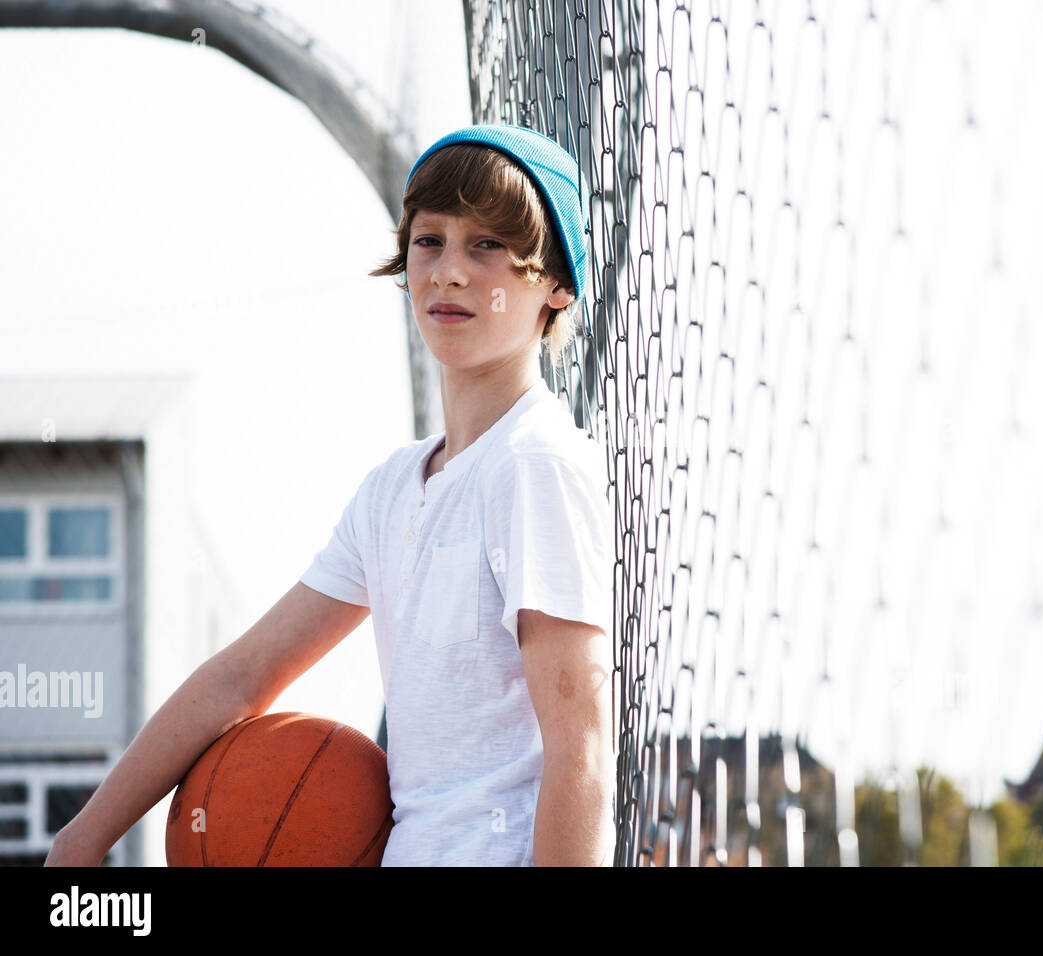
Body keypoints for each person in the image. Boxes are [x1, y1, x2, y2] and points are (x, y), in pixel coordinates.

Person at [45, 123, 616, 867]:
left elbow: (582, 750)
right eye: (429, 240)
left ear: (557, 285)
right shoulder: (391, 490)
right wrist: (82, 838)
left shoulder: (536, 465)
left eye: (487, 246)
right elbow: (240, 678)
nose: (448, 272)